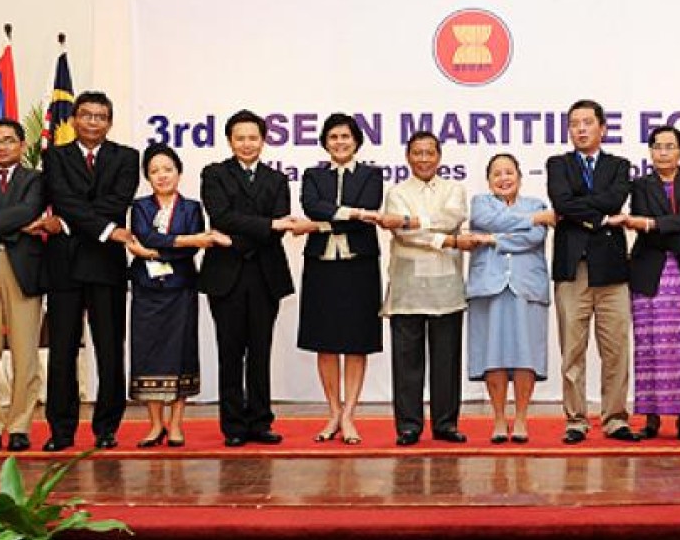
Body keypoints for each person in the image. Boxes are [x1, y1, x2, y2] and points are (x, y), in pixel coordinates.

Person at [35, 91, 139, 451]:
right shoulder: (55, 156)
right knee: (62, 349)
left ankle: (107, 428)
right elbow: (63, 199)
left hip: (106, 266)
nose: (93, 122)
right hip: (64, 266)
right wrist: (106, 230)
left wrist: (69, 222)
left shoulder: (126, 157)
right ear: (74, 119)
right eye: (86, 115)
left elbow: (116, 202)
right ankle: (60, 431)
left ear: (109, 122)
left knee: (110, 349)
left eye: (100, 116)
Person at [609, 126, 680, 441]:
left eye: (669, 146)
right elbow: (662, 224)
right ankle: (651, 417)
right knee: (650, 348)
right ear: (650, 152)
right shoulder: (640, 185)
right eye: (657, 146)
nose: (663, 152)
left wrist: (652, 224)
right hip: (650, 272)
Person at [198, 109, 295, 447]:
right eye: (240, 137)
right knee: (230, 351)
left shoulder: (276, 179)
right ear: (229, 141)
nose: (247, 144)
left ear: (263, 140)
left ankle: (260, 421)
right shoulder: (214, 174)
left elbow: (281, 225)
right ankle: (234, 425)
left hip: (265, 274)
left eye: (253, 137)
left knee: (260, 351)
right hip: (226, 275)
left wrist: (253, 231)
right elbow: (221, 215)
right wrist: (266, 226)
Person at [547, 99, 640, 444]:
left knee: (615, 348)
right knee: (572, 348)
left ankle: (615, 418)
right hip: (573, 269)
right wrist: (599, 218)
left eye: (588, 122)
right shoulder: (558, 164)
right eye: (574, 124)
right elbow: (562, 202)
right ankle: (575, 420)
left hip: (613, 270)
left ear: (603, 128)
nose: (581, 129)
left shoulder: (619, 165)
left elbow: (614, 199)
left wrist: (581, 209)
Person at [377, 130, 479, 446]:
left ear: (439, 157)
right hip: (407, 288)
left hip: (446, 285)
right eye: (417, 153)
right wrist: (444, 238)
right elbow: (403, 235)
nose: (423, 159)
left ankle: (446, 424)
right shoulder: (396, 192)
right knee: (406, 362)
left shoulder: (455, 189)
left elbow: (453, 217)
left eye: (429, 153)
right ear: (408, 157)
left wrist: (414, 221)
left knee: (446, 361)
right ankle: (409, 426)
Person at [127, 143, 230, 448]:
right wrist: (184, 240)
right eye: (154, 171)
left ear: (179, 173)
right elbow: (146, 235)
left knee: (180, 353)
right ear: (147, 176)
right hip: (147, 290)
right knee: (147, 354)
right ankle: (155, 424)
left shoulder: (192, 207)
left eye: (167, 169)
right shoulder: (141, 206)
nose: (162, 176)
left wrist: (159, 248)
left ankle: (175, 425)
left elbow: (194, 246)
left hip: (181, 288)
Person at [290, 113, 383, 445]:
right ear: (325, 143)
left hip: (359, 266)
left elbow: (369, 210)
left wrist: (324, 220)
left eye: (345, 136)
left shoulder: (372, 175)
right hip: (322, 265)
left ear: (356, 140)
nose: (340, 142)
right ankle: (332, 411)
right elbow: (312, 206)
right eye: (333, 137)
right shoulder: (313, 175)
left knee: (356, 342)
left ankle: (349, 415)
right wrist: (352, 213)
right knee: (325, 342)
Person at [466, 153, 555, 444]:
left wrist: (492, 238)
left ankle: (520, 419)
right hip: (488, 287)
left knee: (524, 355)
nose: (504, 178)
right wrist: (528, 221)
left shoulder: (537, 204)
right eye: (497, 174)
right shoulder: (480, 203)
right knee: (494, 355)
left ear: (519, 176)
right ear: (489, 179)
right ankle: (498, 419)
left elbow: (534, 238)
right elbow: (484, 219)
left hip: (526, 286)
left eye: (509, 172)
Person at [0, 119, 45, 452]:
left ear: (22, 146)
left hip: (24, 269)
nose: (1, 147)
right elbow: (20, 217)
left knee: (25, 354)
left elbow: (31, 209)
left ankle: (21, 424)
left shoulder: (35, 179)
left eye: (9, 141)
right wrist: (16, 225)